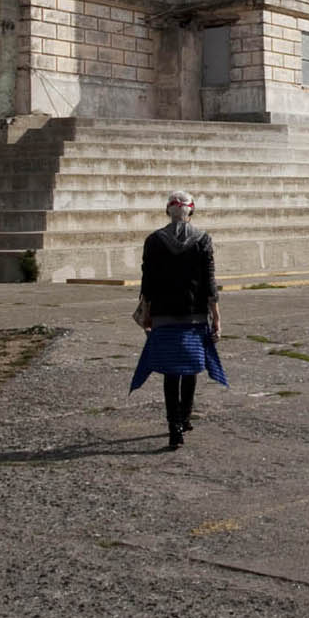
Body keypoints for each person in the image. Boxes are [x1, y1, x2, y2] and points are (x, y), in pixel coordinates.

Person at [130, 191, 226, 448]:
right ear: (190, 212)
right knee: (191, 367)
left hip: (163, 314)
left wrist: (146, 312)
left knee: (171, 372)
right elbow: (209, 282)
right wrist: (216, 317)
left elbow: (147, 282)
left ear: (168, 211)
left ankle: (174, 427)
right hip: (194, 316)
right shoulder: (203, 240)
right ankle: (185, 417)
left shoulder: (153, 241)